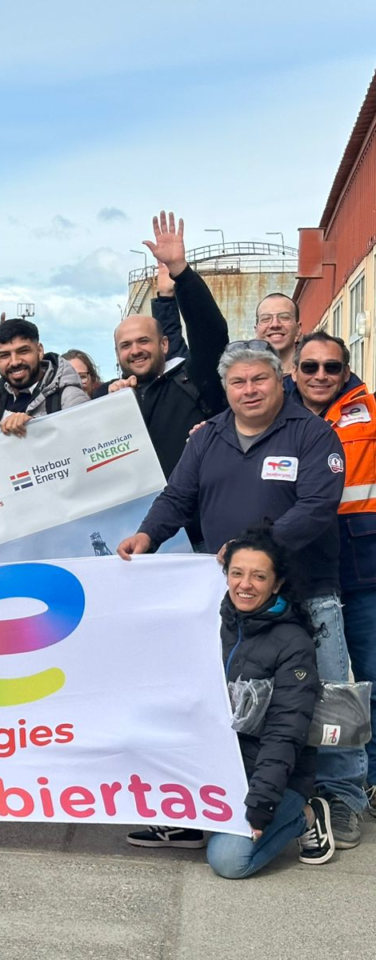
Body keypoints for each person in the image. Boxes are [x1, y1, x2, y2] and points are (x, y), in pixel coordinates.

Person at [117, 342, 367, 846]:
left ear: (281, 381)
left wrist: (254, 547)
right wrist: (147, 536)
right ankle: (228, 789)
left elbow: (318, 506)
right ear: (227, 388)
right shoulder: (207, 437)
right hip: (237, 601)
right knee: (230, 698)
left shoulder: (314, 435)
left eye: (259, 380)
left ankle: (342, 797)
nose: (249, 390)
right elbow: (177, 497)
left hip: (308, 592)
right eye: (238, 382)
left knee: (331, 698)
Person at [129, 526, 334, 874]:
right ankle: (186, 824)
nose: (245, 584)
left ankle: (307, 814)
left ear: (277, 583)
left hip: (268, 776)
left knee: (229, 860)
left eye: (258, 576)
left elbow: (285, 734)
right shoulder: (209, 623)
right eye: (237, 573)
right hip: (213, 767)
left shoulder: (293, 644)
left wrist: (262, 807)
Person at [292, 331, 376, 823]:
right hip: (305, 563)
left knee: (369, 676)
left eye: (331, 367)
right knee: (315, 680)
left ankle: (370, 781)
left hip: (363, 560)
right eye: (310, 367)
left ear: (346, 371)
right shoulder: (275, 410)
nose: (320, 376)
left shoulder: (370, 408)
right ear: (296, 370)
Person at [107, 211, 230, 479]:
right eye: (126, 345)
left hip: (195, 516)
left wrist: (181, 272)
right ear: (117, 354)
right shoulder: (107, 396)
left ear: (164, 344)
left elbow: (210, 332)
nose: (136, 350)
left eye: (143, 341)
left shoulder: (194, 378)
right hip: (138, 520)